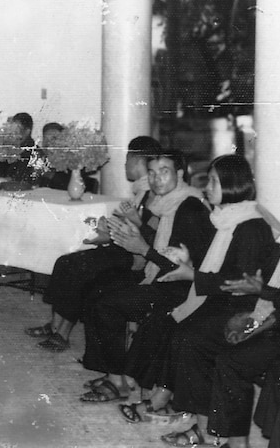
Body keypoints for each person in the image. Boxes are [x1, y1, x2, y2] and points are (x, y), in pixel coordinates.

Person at [118, 155, 277, 424]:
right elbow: (216, 266)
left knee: (186, 332)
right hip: (218, 296)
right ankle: (164, 396)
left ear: (232, 185)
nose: (207, 188)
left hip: (242, 306)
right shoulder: (225, 218)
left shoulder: (250, 225)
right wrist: (190, 263)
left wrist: (192, 272)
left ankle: (189, 413)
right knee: (170, 321)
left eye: (214, 181)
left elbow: (239, 282)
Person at [189, 159, 280, 448]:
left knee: (236, 360)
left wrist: (263, 299)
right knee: (220, 349)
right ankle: (235, 441)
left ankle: (239, 441)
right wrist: (262, 300)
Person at [77, 149, 214, 403]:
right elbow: (162, 247)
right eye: (151, 173)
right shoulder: (168, 202)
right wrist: (137, 235)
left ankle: (119, 381)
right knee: (97, 291)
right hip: (161, 277)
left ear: (180, 174)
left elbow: (180, 269)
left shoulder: (190, 208)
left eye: (164, 172)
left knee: (107, 304)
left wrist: (142, 248)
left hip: (183, 290)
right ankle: (113, 373)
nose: (156, 179)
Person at [28, 136, 161, 351]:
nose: (125, 165)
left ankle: (62, 333)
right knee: (65, 262)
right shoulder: (141, 190)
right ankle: (54, 325)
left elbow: (152, 233)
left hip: (134, 257)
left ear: (137, 161)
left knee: (80, 268)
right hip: (123, 249)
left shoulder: (153, 193)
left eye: (127, 159)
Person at [0, 112, 36, 185]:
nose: (11, 134)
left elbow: (20, 178)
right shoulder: (10, 148)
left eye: (16, 131)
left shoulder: (33, 152)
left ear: (27, 131)